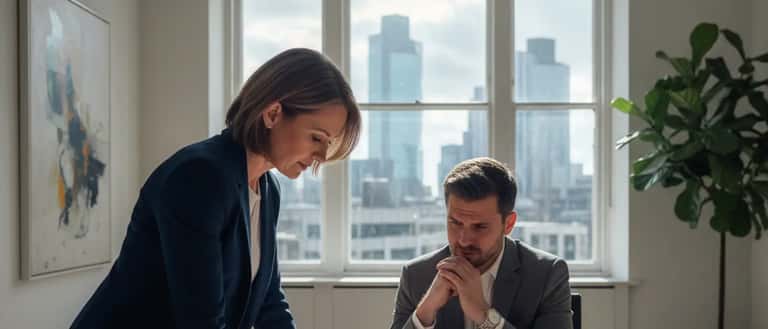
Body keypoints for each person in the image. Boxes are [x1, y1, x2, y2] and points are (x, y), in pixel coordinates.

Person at [70, 48, 361, 329]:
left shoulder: (267, 190)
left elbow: (269, 304)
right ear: (272, 114)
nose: (322, 158)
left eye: (328, 144)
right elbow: (202, 320)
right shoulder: (200, 176)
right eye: (316, 138)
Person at [390, 157, 572, 329]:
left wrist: (485, 316)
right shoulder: (416, 275)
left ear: (508, 224)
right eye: (456, 223)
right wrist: (425, 311)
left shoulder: (546, 275)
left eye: (479, 227)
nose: (463, 239)